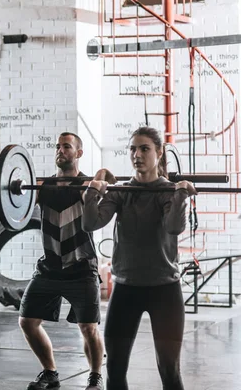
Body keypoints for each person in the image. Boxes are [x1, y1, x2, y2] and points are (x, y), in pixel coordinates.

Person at [82, 126, 196, 390]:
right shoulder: (120, 192)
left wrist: (180, 196)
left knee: (169, 370)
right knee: (116, 369)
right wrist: (92, 192)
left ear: (159, 153)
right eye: (133, 149)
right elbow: (90, 223)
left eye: (144, 148)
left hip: (165, 291)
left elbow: (174, 228)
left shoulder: (168, 192)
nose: (137, 154)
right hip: (126, 290)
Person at [19, 132, 105, 390]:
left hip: (81, 268)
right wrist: (8, 186)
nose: (60, 150)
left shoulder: (86, 185)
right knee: (27, 322)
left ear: (79, 153)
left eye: (67, 146)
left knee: (88, 327)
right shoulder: (42, 186)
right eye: (58, 146)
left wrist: (100, 179)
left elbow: (98, 193)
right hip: (50, 268)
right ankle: (50, 372)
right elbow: (15, 208)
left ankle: (95, 377)